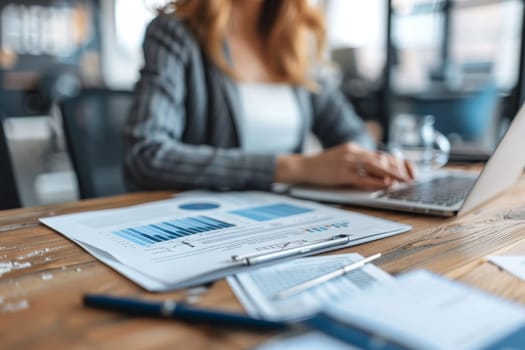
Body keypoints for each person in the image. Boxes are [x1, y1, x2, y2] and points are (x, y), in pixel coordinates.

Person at [124, 0, 414, 192]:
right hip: (204, 224)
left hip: (294, 222)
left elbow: (352, 136)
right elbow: (147, 155)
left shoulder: (296, 42)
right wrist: (296, 167)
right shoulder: (175, 34)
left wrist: (364, 164)